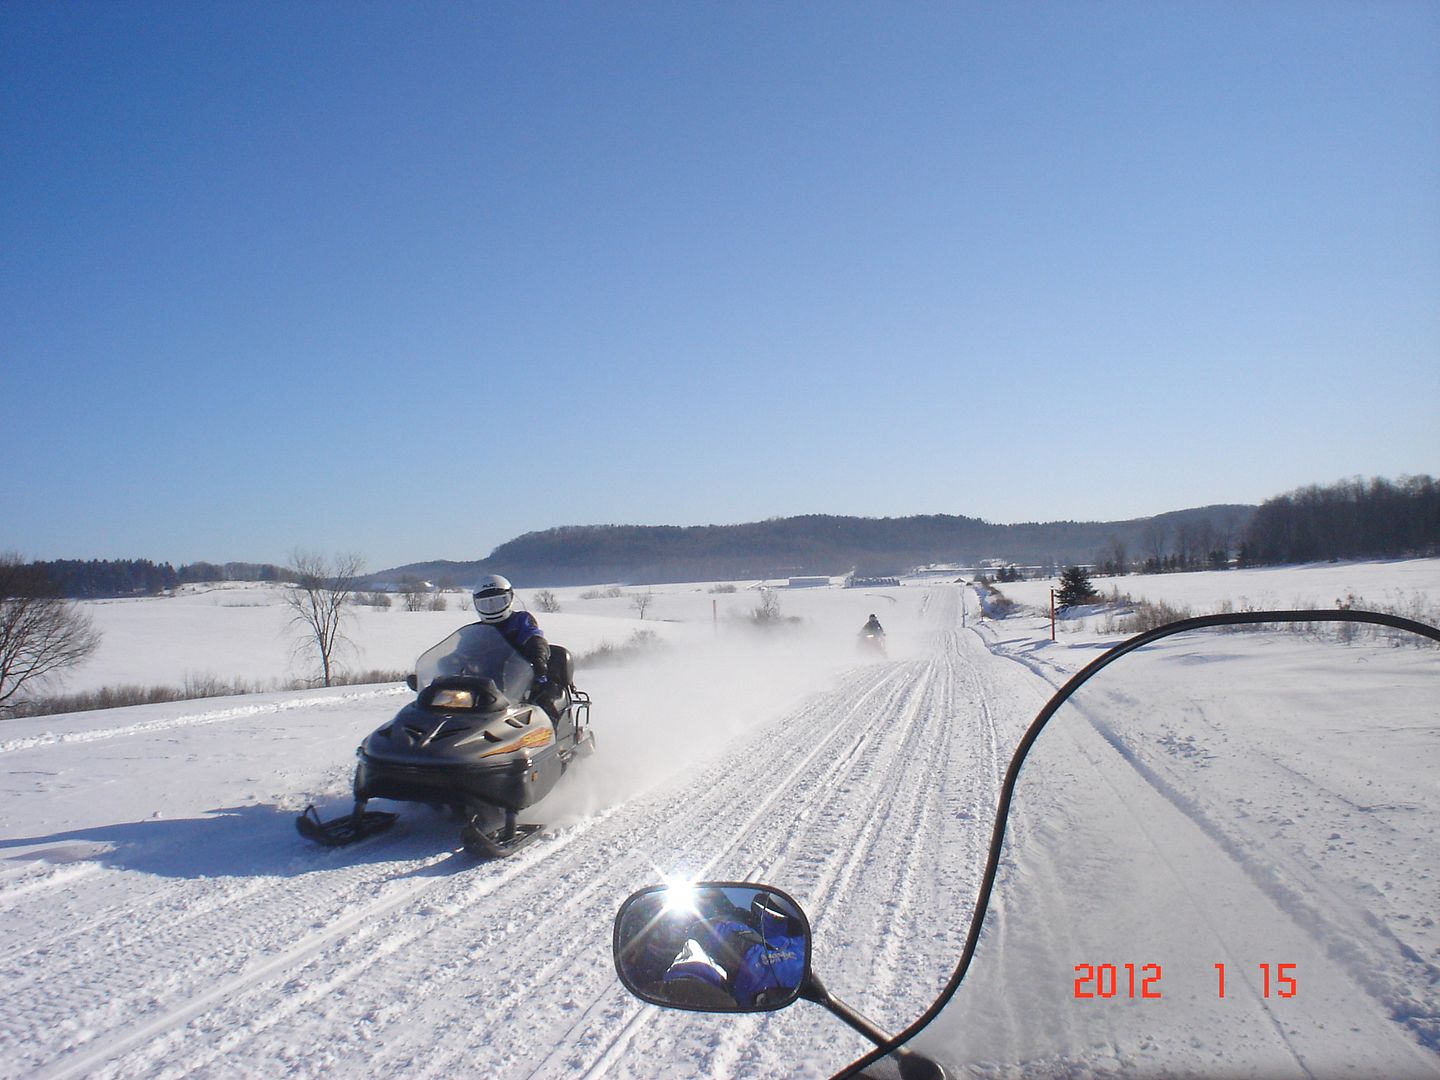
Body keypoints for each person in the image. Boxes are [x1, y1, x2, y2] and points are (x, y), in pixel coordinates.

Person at [472, 574, 565, 719]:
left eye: (498, 602)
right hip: (487, 687)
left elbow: (534, 638)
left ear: (510, 598)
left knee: (542, 703)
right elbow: (462, 651)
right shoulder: (477, 631)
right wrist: (447, 664)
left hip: (524, 681)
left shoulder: (521, 620)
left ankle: (552, 734)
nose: (492, 608)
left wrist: (538, 656)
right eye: (486, 604)